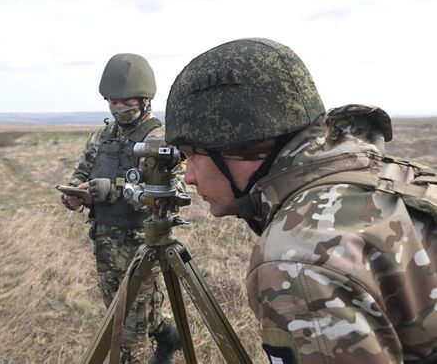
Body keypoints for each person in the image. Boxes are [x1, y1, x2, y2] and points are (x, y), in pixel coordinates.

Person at [164, 38, 437, 364]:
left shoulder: (295, 259)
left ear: (238, 148)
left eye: (192, 154)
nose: (189, 176)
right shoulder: (398, 177)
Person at [62, 53, 179, 364]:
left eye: (123, 101)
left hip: (142, 248)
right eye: (111, 101)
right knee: (123, 311)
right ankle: (168, 336)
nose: (116, 108)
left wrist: (108, 189)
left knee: (126, 336)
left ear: (143, 99)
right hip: (104, 243)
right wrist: (74, 194)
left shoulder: (160, 140)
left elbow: (169, 193)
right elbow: (82, 173)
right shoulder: (101, 137)